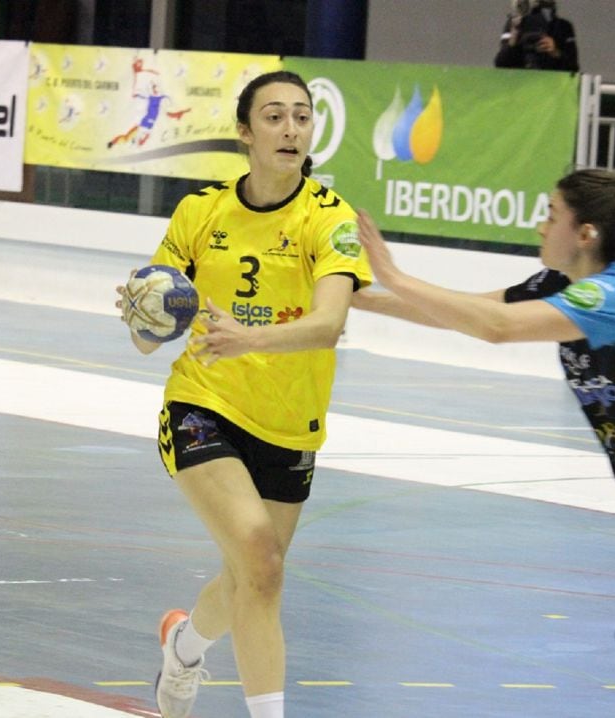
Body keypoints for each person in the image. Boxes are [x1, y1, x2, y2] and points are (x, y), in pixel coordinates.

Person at [352, 157, 615, 718]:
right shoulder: (561, 283)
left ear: (586, 233)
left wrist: (395, 274)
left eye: (551, 215)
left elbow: (496, 330)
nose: (541, 227)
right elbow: (471, 314)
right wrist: (357, 297)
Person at [115, 70, 372, 718]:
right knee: (259, 555)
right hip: (205, 405)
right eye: (275, 116)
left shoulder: (329, 219)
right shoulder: (201, 212)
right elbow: (149, 338)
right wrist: (142, 314)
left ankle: (184, 646)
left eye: (302, 117)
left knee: (253, 577)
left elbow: (330, 323)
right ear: (244, 132)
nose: (291, 129)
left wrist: (249, 339)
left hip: (290, 425)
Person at [494, 0, 579, 72]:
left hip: (550, 84)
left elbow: (573, 67)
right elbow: (501, 64)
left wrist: (555, 52)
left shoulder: (563, 27)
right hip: (522, 83)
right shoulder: (515, 23)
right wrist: (514, 37)